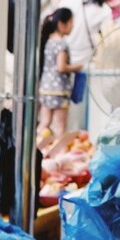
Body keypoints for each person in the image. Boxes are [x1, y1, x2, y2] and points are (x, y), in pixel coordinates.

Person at [35, 8, 80, 143]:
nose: (72, 26)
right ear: (62, 24)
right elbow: (61, 67)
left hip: (46, 87)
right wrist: (77, 67)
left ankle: (39, 149)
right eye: (71, 22)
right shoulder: (61, 43)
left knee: (44, 123)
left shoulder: (48, 41)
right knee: (61, 127)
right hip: (59, 90)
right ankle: (58, 156)